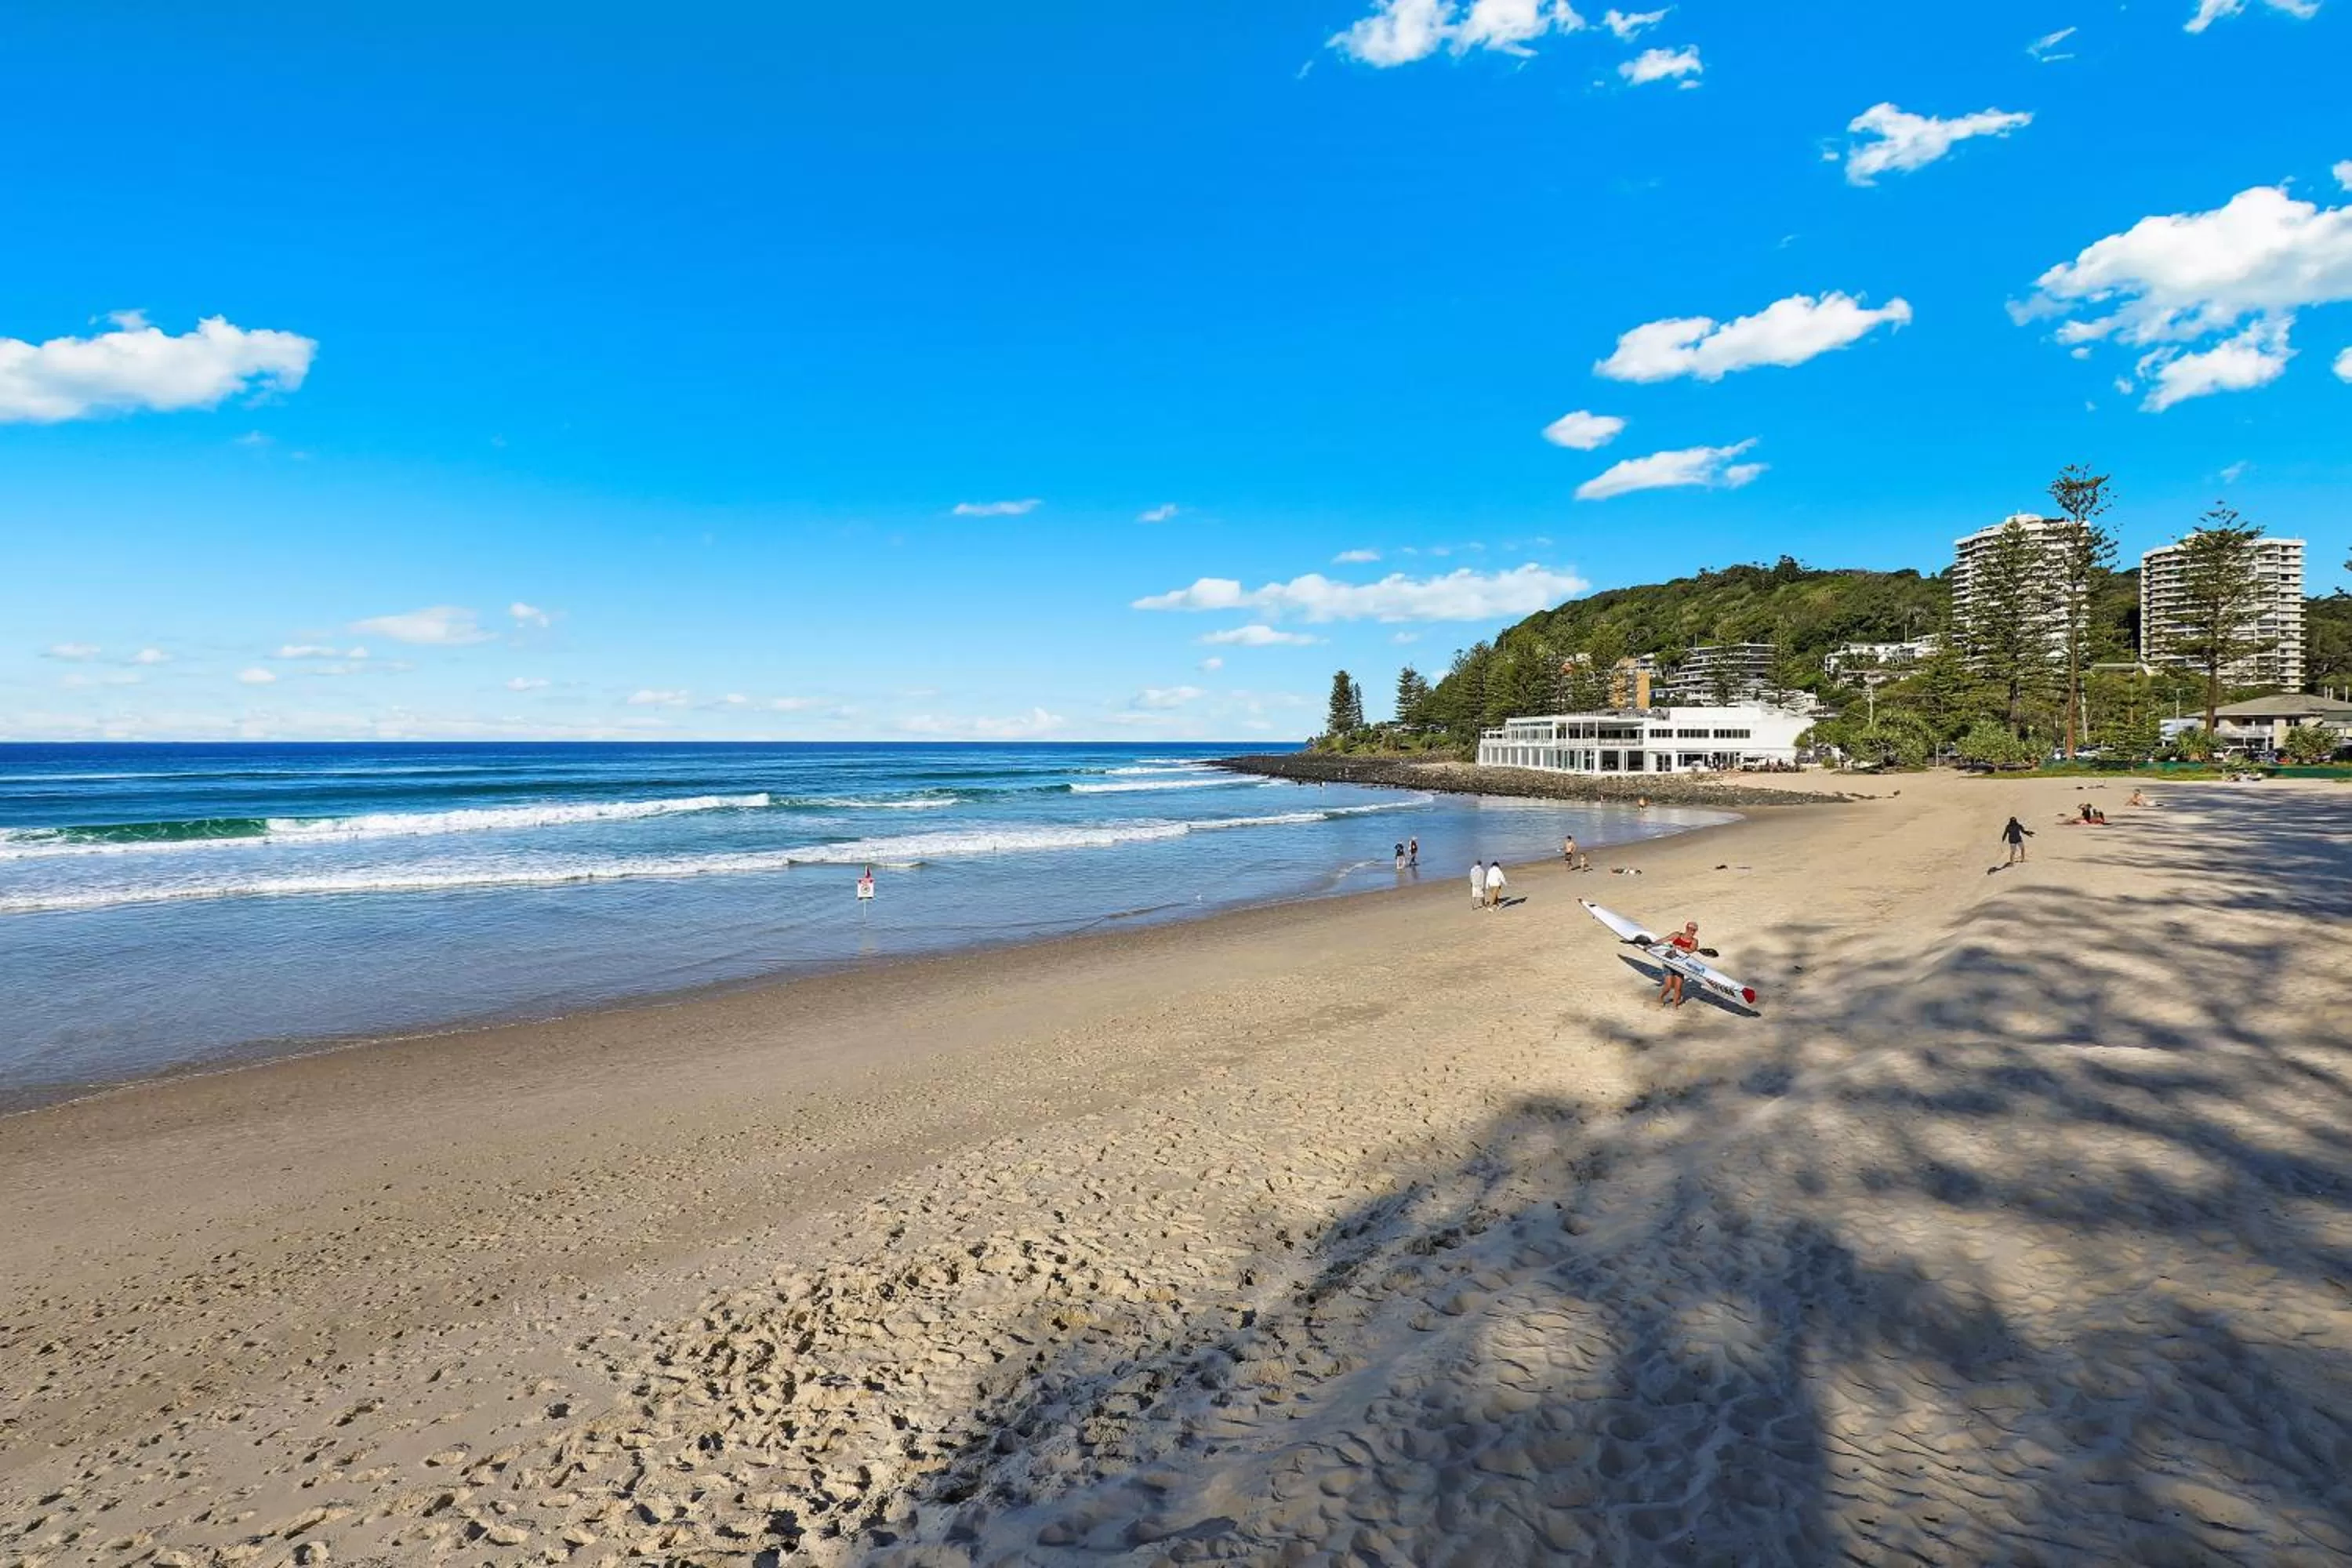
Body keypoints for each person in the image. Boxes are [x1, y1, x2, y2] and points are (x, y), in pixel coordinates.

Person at [1658, 920, 1699, 1007]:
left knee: (1678, 987)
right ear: (1687, 928)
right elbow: (1663, 940)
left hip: (1680, 965)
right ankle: (1661, 998)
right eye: (1691, 929)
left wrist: (1681, 948)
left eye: (1695, 930)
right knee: (1668, 986)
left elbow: (1691, 950)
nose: (1692, 932)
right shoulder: (1677, 935)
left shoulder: (1694, 941)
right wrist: (1651, 944)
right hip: (1669, 961)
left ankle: (1675, 1005)